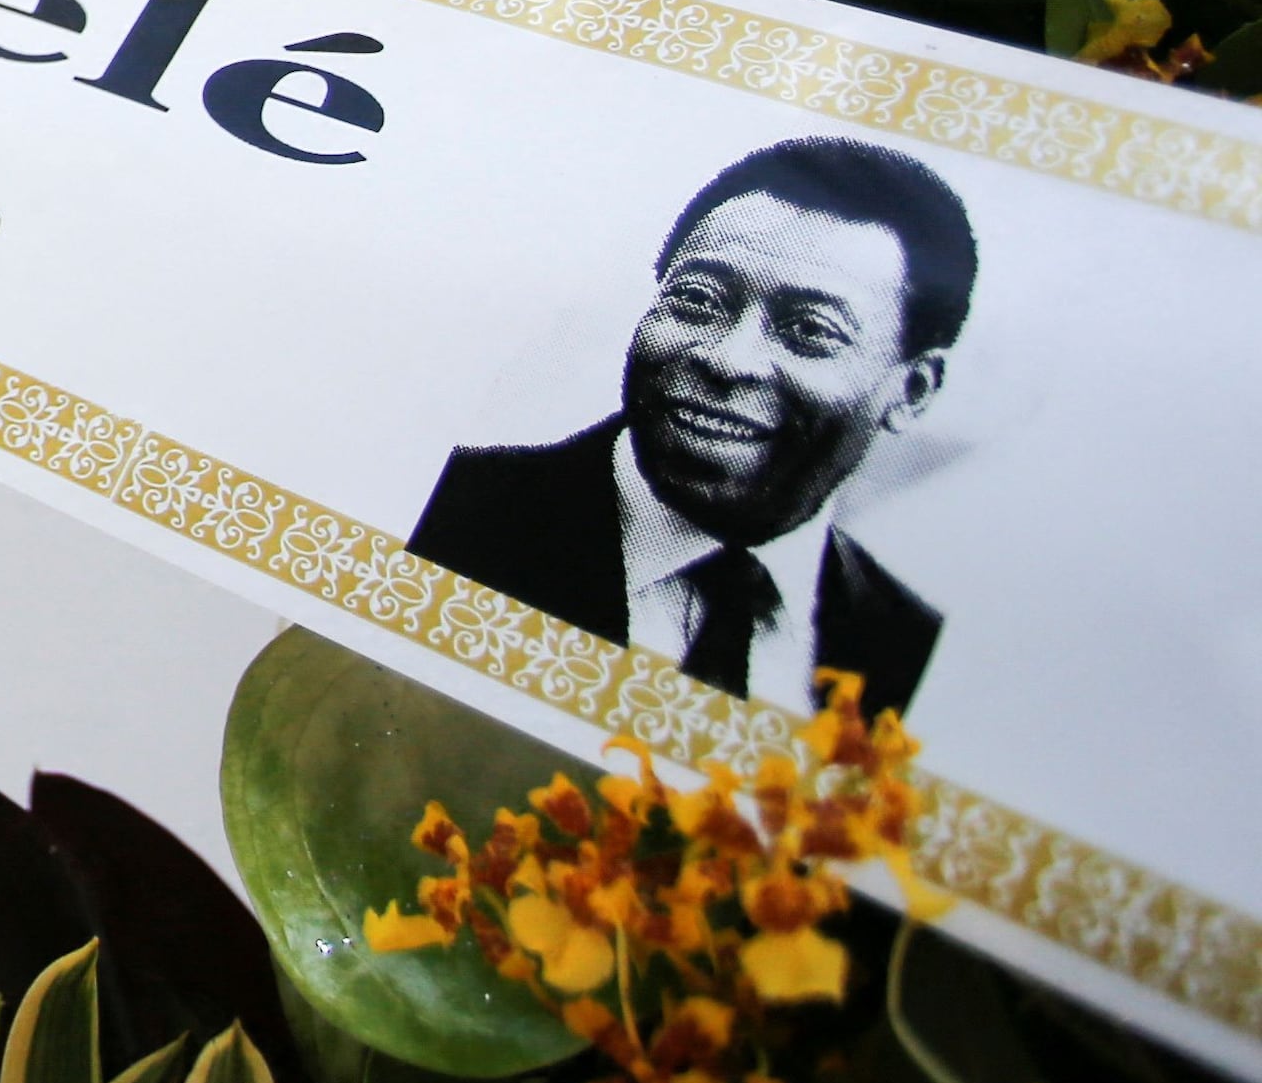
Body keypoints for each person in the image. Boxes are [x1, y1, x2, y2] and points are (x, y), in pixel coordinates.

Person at [410, 136, 971, 714]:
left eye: (809, 331)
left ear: (911, 391)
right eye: (698, 300)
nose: (729, 358)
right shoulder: (445, 509)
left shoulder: (903, 646)